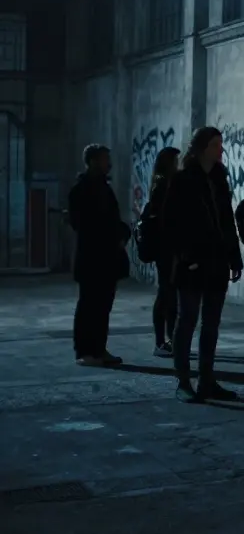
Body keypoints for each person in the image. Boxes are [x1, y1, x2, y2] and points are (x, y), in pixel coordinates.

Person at [164, 127, 244, 403]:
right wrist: (189, 257)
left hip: (217, 261)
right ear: (201, 149)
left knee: (211, 324)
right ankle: (183, 380)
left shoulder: (220, 180)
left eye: (221, 144)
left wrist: (235, 257)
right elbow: (172, 224)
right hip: (193, 263)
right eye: (215, 144)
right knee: (187, 321)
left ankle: (207, 379)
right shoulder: (183, 180)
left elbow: (226, 220)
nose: (221, 149)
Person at [68, 143, 130, 367]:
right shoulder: (82, 190)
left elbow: (111, 220)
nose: (109, 164)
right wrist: (113, 234)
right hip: (92, 259)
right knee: (89, 306)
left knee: (103, 306)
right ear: (93, 161)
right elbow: (83, 224)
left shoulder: (103, 187)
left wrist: (122, 233)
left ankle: (98, 349)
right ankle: (85, 351)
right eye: (105, 159)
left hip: (106, 259)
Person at [141, 146, 180, 357]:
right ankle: (162, 342)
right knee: (167, 293)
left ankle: (169, 340)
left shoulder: (162, 183)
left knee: (169, 293)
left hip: (168, 247)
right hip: (167, 248)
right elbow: (164, 220)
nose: (178, 164)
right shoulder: (163, 185)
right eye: (175, 161)